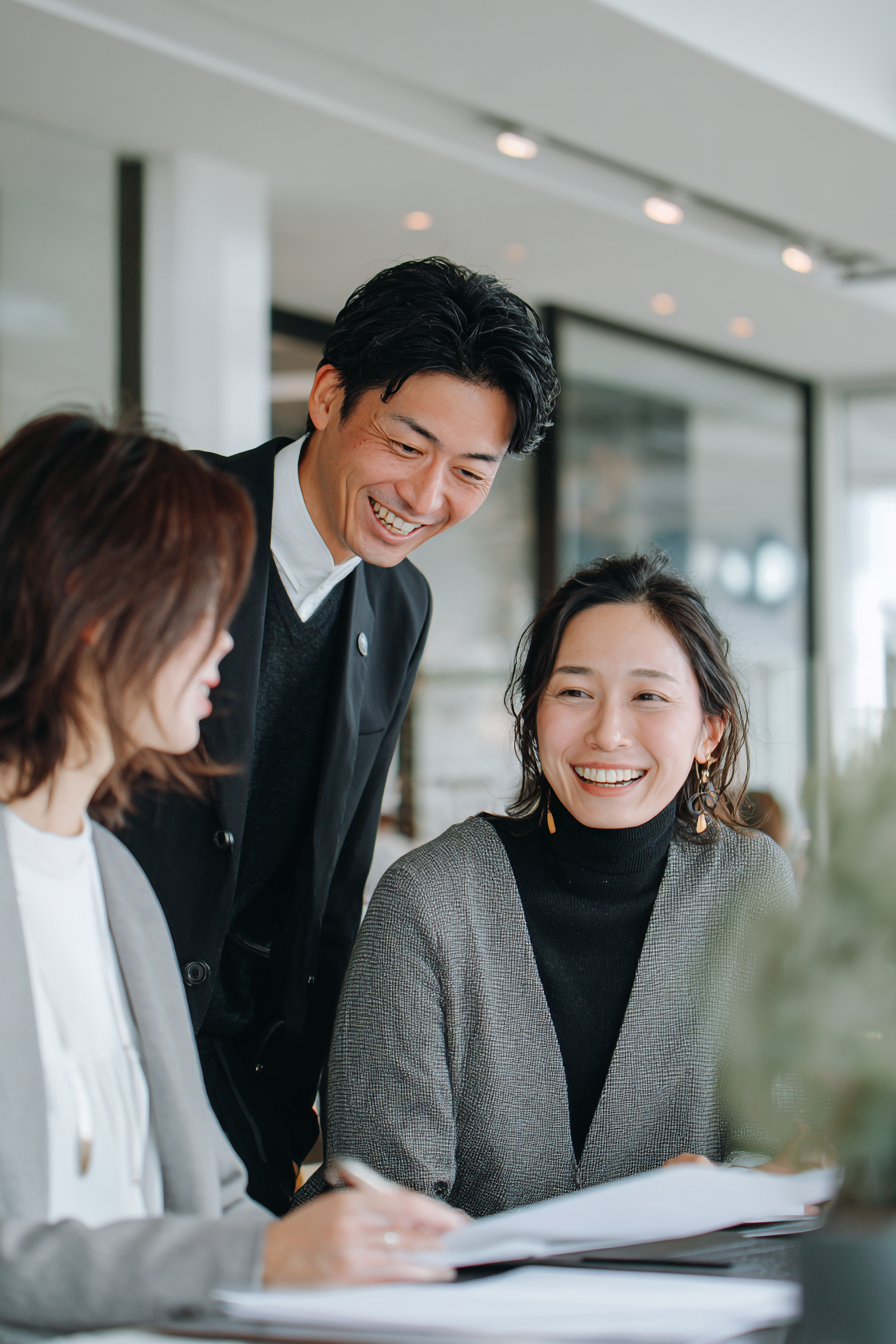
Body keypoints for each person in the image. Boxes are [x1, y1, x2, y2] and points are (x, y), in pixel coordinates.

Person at [0, 415, 464, 1338]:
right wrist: (266, 1261)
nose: (226, 642)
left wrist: (358, 1260)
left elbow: (209, 1198)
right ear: (93, 609)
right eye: (200, 603)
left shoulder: (115, 887)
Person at [120, 257, 559, 1214]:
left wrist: (289, 1112)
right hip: (102, 1043)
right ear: (327, 398)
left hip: (242, 1093)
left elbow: (333, 880)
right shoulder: (166, 522)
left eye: (471, 472)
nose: (428, 496)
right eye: (406, 445)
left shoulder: (401, 604)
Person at [314, 552, 797, 1218]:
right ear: (533, 715)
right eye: (574, 693)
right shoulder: (427, 900)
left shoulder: (751, 885)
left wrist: (741, 1184)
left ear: (708, 733)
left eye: (648, 696)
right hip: (460, 1290)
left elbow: (789, 1142)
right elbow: (382, 1206)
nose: (609, 733)